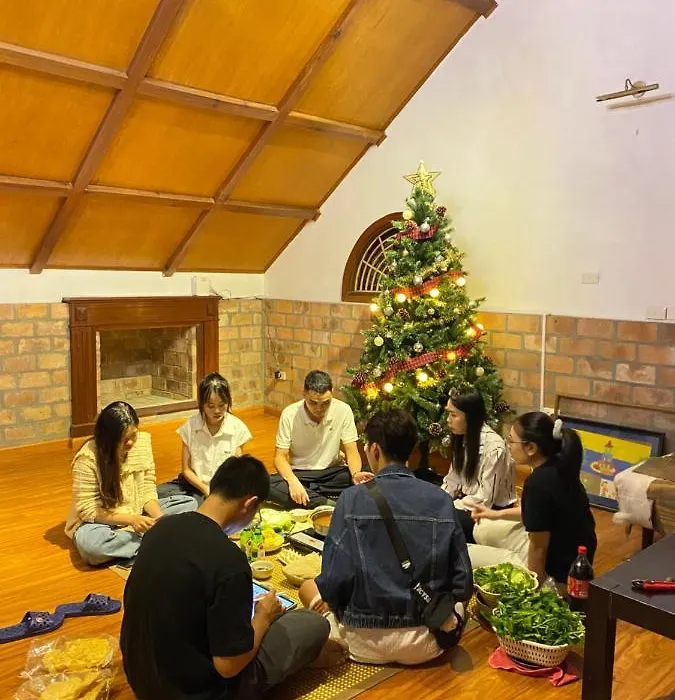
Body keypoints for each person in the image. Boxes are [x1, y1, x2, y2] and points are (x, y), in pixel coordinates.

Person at [120, 455, 334, 700]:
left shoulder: (160, 529)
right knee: (311, 624)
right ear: (249, 503)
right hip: (196, 693)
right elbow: (229, 665)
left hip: (141, 678)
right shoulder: (229, 561)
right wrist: (263, 616)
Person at [299, 409, 473, 665]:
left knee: (309, 586)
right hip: (429, 640)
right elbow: (463, 584)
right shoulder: (441, 500)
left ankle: (332, 637)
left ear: (375, 450)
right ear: (411, 450)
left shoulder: (350, 499)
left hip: (361, 641)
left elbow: (334, 582)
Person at [471, 412, 597, 588]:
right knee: (482, 528)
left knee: (467, 555)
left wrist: (534, 586)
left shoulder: (538, 484)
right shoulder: (559, 465)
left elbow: (539, 547)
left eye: (511, 441)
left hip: (555, 571)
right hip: (569, 551)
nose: (508, 446)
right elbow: (537, 514)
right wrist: (493, 514)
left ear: (531, 448)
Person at [64, 401, 197, 566]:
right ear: (108, 439)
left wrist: (159, 519)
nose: (130, 443)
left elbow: (147, 487)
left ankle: (150, 538)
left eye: (133, 435)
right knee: (92, 547)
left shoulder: (142, 443)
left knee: (189, 504)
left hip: (137, 510)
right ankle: (160, 539)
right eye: (123, 439)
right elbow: (88, 511)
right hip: (103, 522)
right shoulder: (87, 458)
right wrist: (131, 520)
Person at [269, 370, 369, 509]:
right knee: (267, 483)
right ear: (304, 394)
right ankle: (329, 505)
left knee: (368, 474)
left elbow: (351, 451)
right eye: (313, 402)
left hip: (332, 471)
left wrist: (355, 474)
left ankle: (311, 498)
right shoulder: (290, 414)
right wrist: (292, 482)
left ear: (332, 393)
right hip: (301, 473)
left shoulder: (343, 410)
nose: (319, 408)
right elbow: (280, 457)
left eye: (325, 403)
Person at [158, 373, 252, 504]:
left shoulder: (237, 428)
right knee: (156, 493)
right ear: (202, 404)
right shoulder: (190, 426)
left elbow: (236, 471)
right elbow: (186, 470)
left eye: (222, 405)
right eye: (211, 406)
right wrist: (205, 489)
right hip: (194, 485)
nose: (217, 411)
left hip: (223, 489)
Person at [441, 390, 515, 544]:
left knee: (444, 522)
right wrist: (439, 500)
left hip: (490, 510)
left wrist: (451, 506)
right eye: (448, 414)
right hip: (467, 503)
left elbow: (485, 498)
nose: (448, 420)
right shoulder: (461, 436)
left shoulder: (494, 447)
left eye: (453, 415)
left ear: (470, 417)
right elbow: (453, 479)